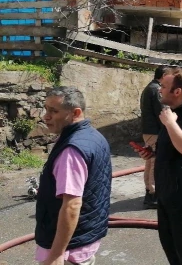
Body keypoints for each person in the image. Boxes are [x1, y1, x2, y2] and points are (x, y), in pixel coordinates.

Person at [135, 68, 182, 264]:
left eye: (164, 86)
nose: (159, 90)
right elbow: (174, 149)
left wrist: (170, 124)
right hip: (167, 193)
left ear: (177, 92)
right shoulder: (172, 115)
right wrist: (152, 154)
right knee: (171, 246)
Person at [35, 86, 112, 265]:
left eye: (53, 111)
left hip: (69, 249)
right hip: (85, 239)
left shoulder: (71, 150)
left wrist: (55, 255)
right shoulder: (94, 136)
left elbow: (72, 205)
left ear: (75, 113)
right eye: (46, 109)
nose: (46, 116)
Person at [139, 65, 166, 209]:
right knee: (155, 162)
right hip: (154, 131)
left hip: (149, 130)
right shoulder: (156, 90)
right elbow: (160, 111)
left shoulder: (149, 88)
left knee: (150, 161)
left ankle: (149, 191)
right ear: (163, 76)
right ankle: (153, 194)